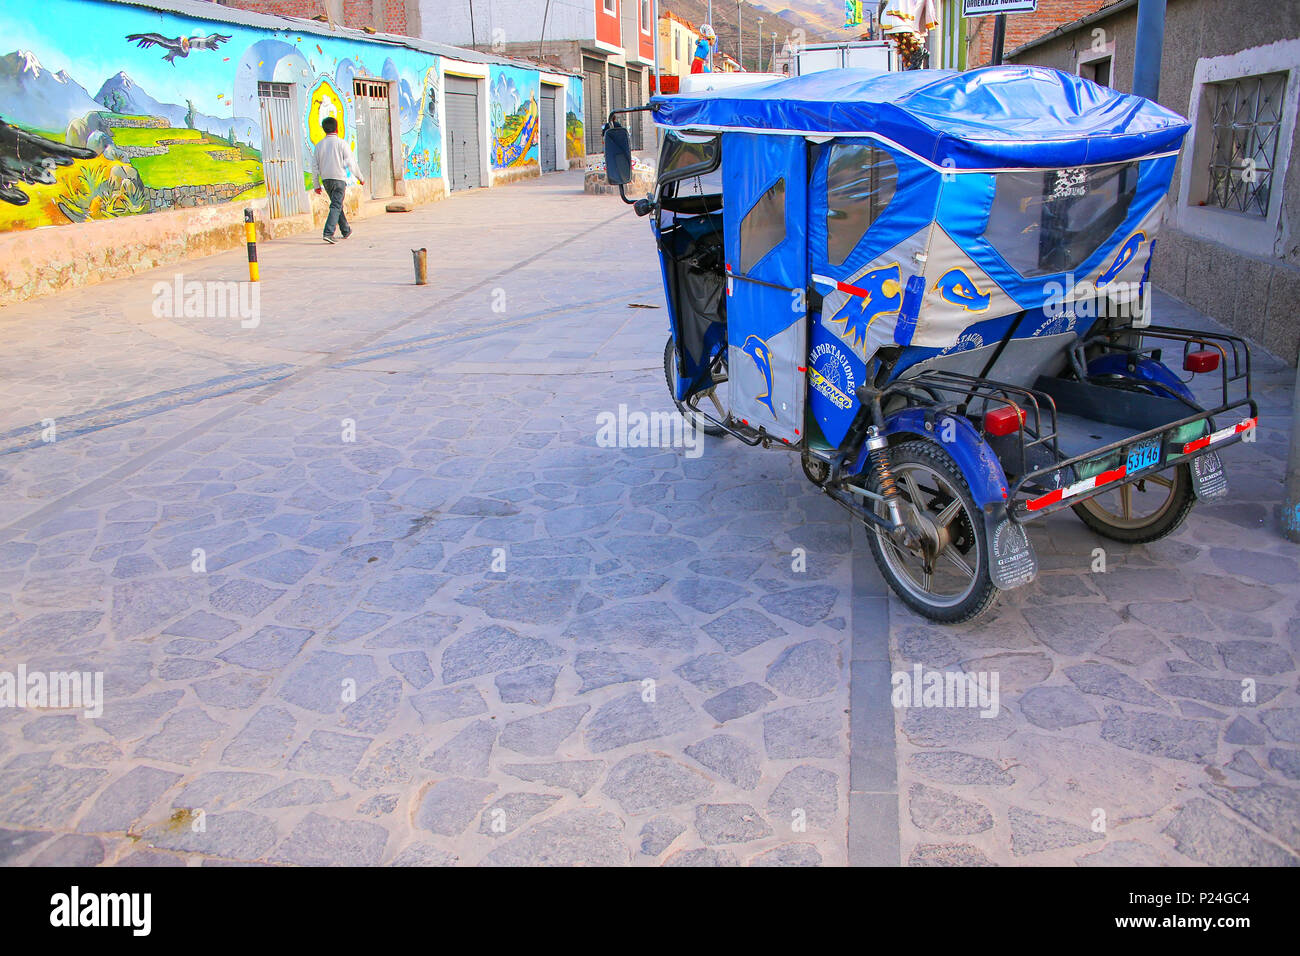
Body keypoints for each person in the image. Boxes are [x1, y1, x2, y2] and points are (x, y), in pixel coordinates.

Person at [312, 116, 364, 244]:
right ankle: (328, 233)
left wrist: (316, 184)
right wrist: (360, 177)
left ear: (324, 129)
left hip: (326, 180)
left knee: (336, 204)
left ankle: (346, 230)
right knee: (336, 205)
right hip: (339, 179)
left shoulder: (319, 146)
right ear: (337, 128)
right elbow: (351, 163)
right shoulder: (342, 144)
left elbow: (314, 167)